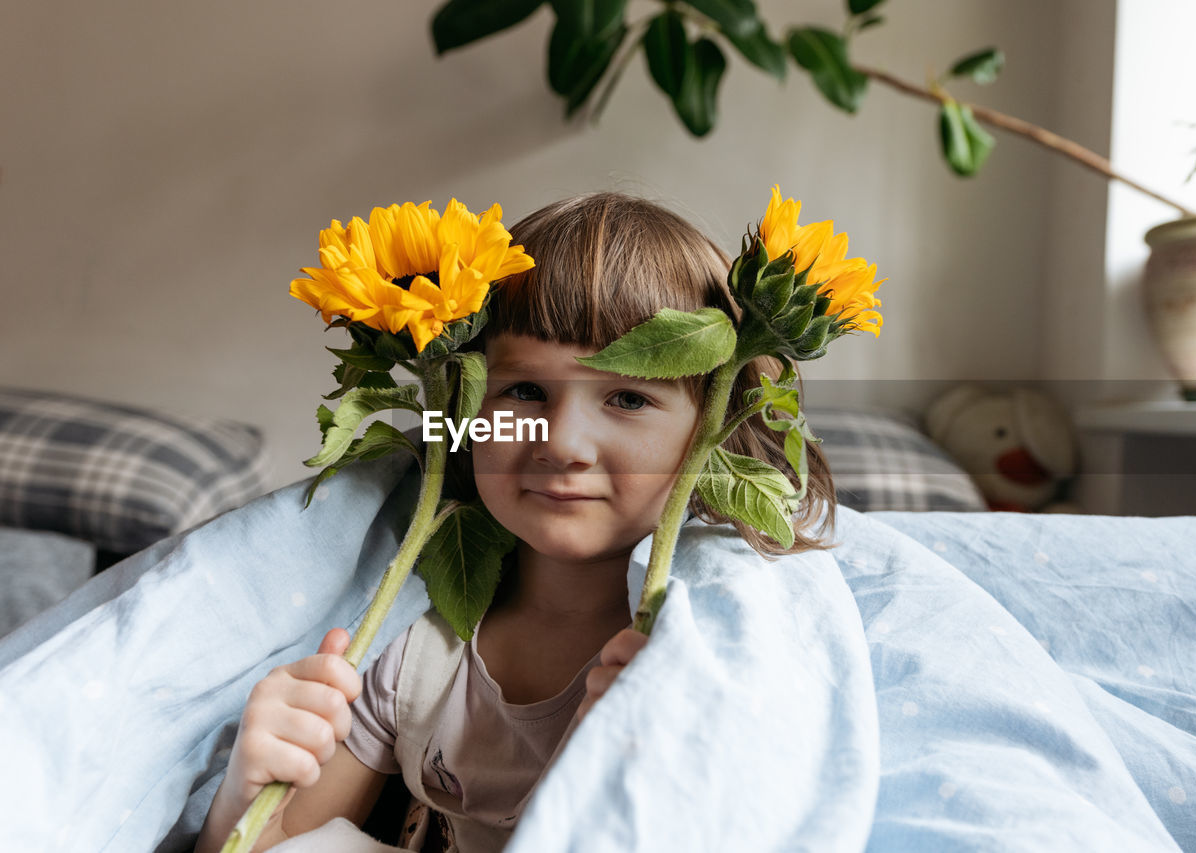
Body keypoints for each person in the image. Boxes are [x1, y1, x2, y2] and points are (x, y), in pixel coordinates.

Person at [195, 193, 838, 852]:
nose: (563, 442)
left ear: (714, 430)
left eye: (628, 397)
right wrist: (250, 786)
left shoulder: (708, 645)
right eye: (524, 391)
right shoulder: (413, 643)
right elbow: (281, 842)